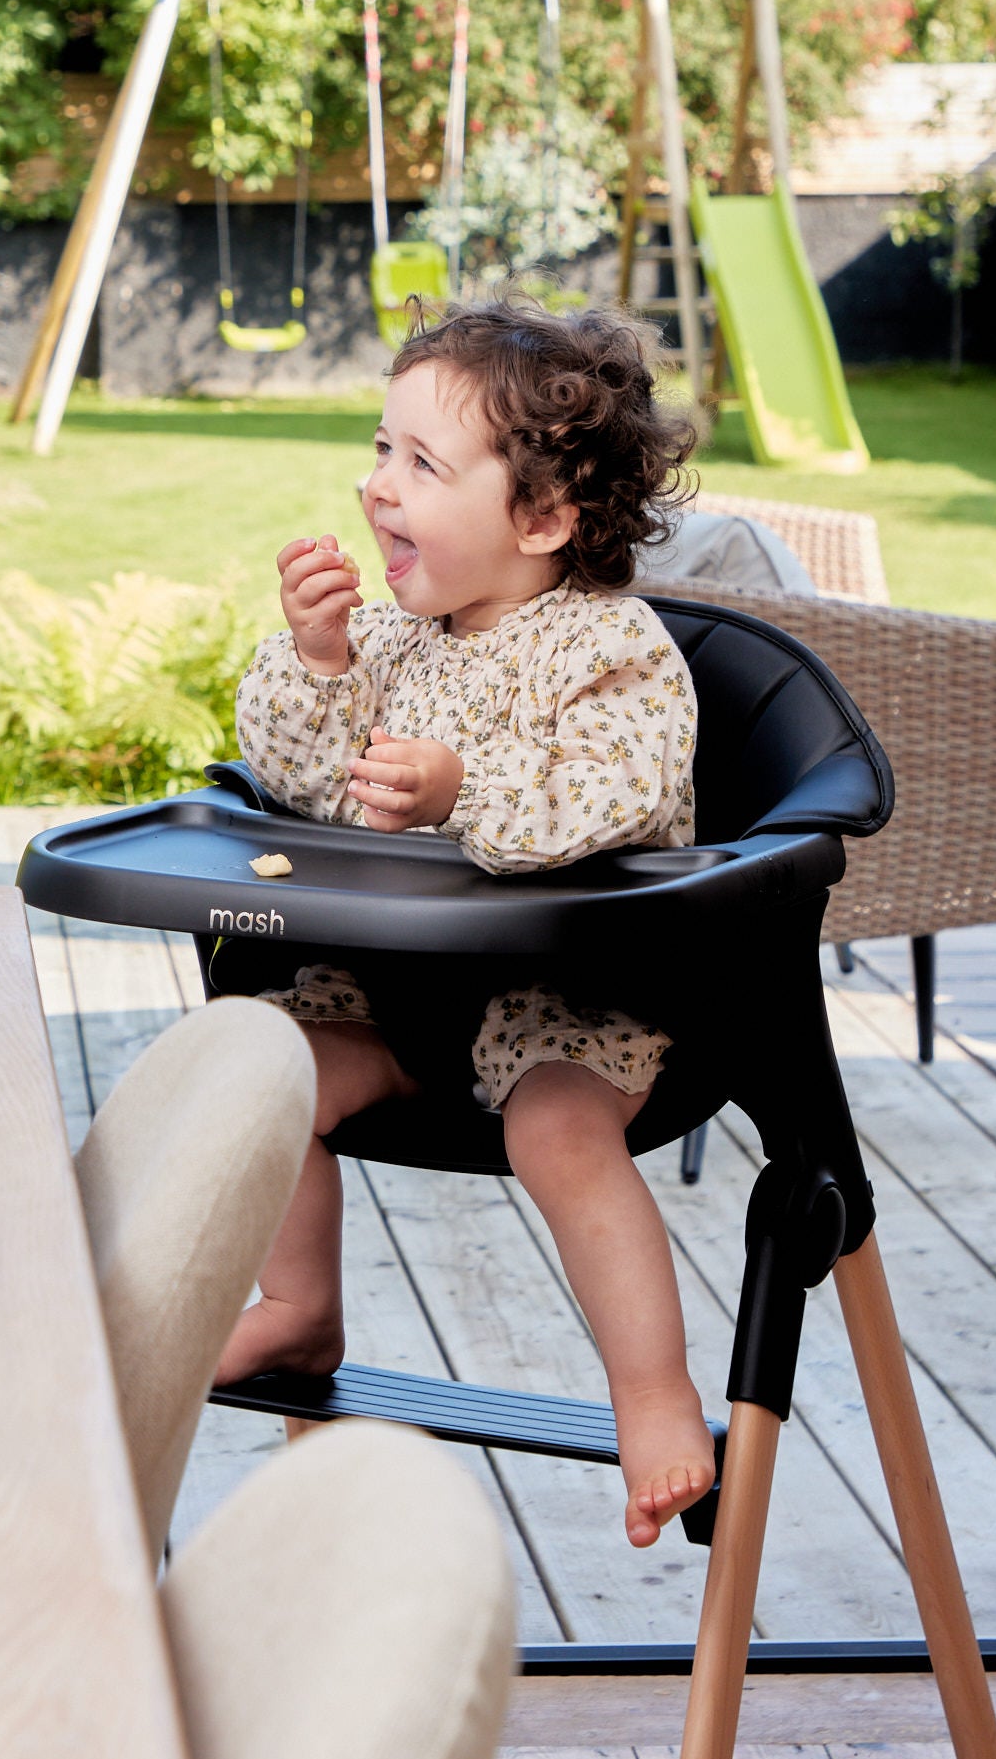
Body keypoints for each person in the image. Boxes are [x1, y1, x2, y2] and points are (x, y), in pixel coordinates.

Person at [221, 299, 713, 1547]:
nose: (379, 487)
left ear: (542, 520)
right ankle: (300, 1307)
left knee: (559, 1132)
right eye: (380, 449)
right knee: (266, 1074)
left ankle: (655, 1398)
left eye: (422, 464)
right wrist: (321, 659)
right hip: (389, 992)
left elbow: (620, 794)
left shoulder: (611, 652)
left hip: (572, 994)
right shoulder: (392, 640)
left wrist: (461, 791)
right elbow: (300, 783)